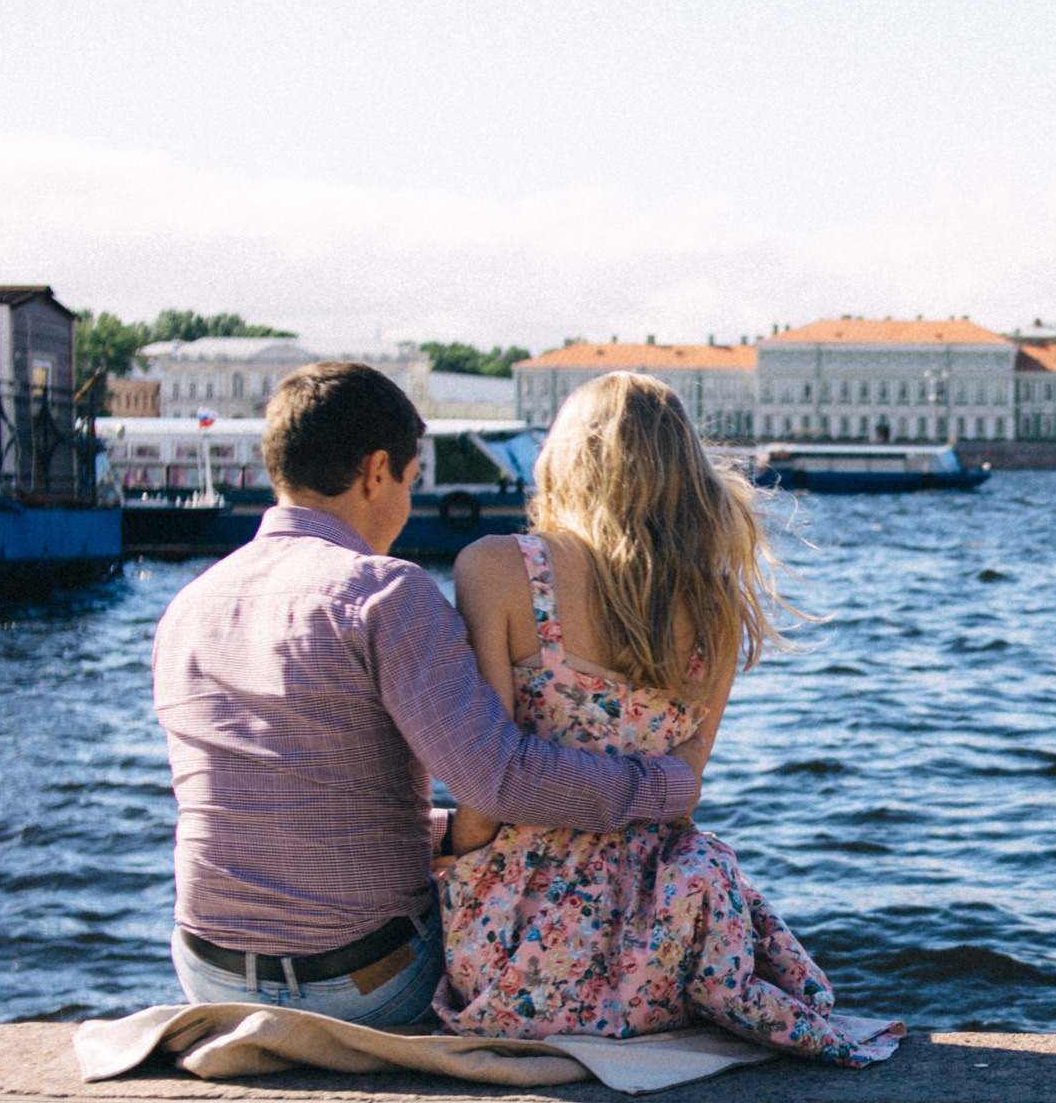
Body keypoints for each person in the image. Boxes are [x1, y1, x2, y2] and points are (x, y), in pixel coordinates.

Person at [152, 362, 702, 1027]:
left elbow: (283, 796)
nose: (409, 505)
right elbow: (500, 776)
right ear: (376, 471)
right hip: (364, 983)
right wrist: (663, 785)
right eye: (412, 482)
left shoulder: (187, 607)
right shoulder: (385, 592)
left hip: (208, 974)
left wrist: (442, 832)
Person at [435, 373, 901, 1066]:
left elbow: (485, 791)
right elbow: (682, 787)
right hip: (660, 955)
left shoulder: (499, 567)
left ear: (567, 459)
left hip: (514, 959)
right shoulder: (717, 605)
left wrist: (446, 856)